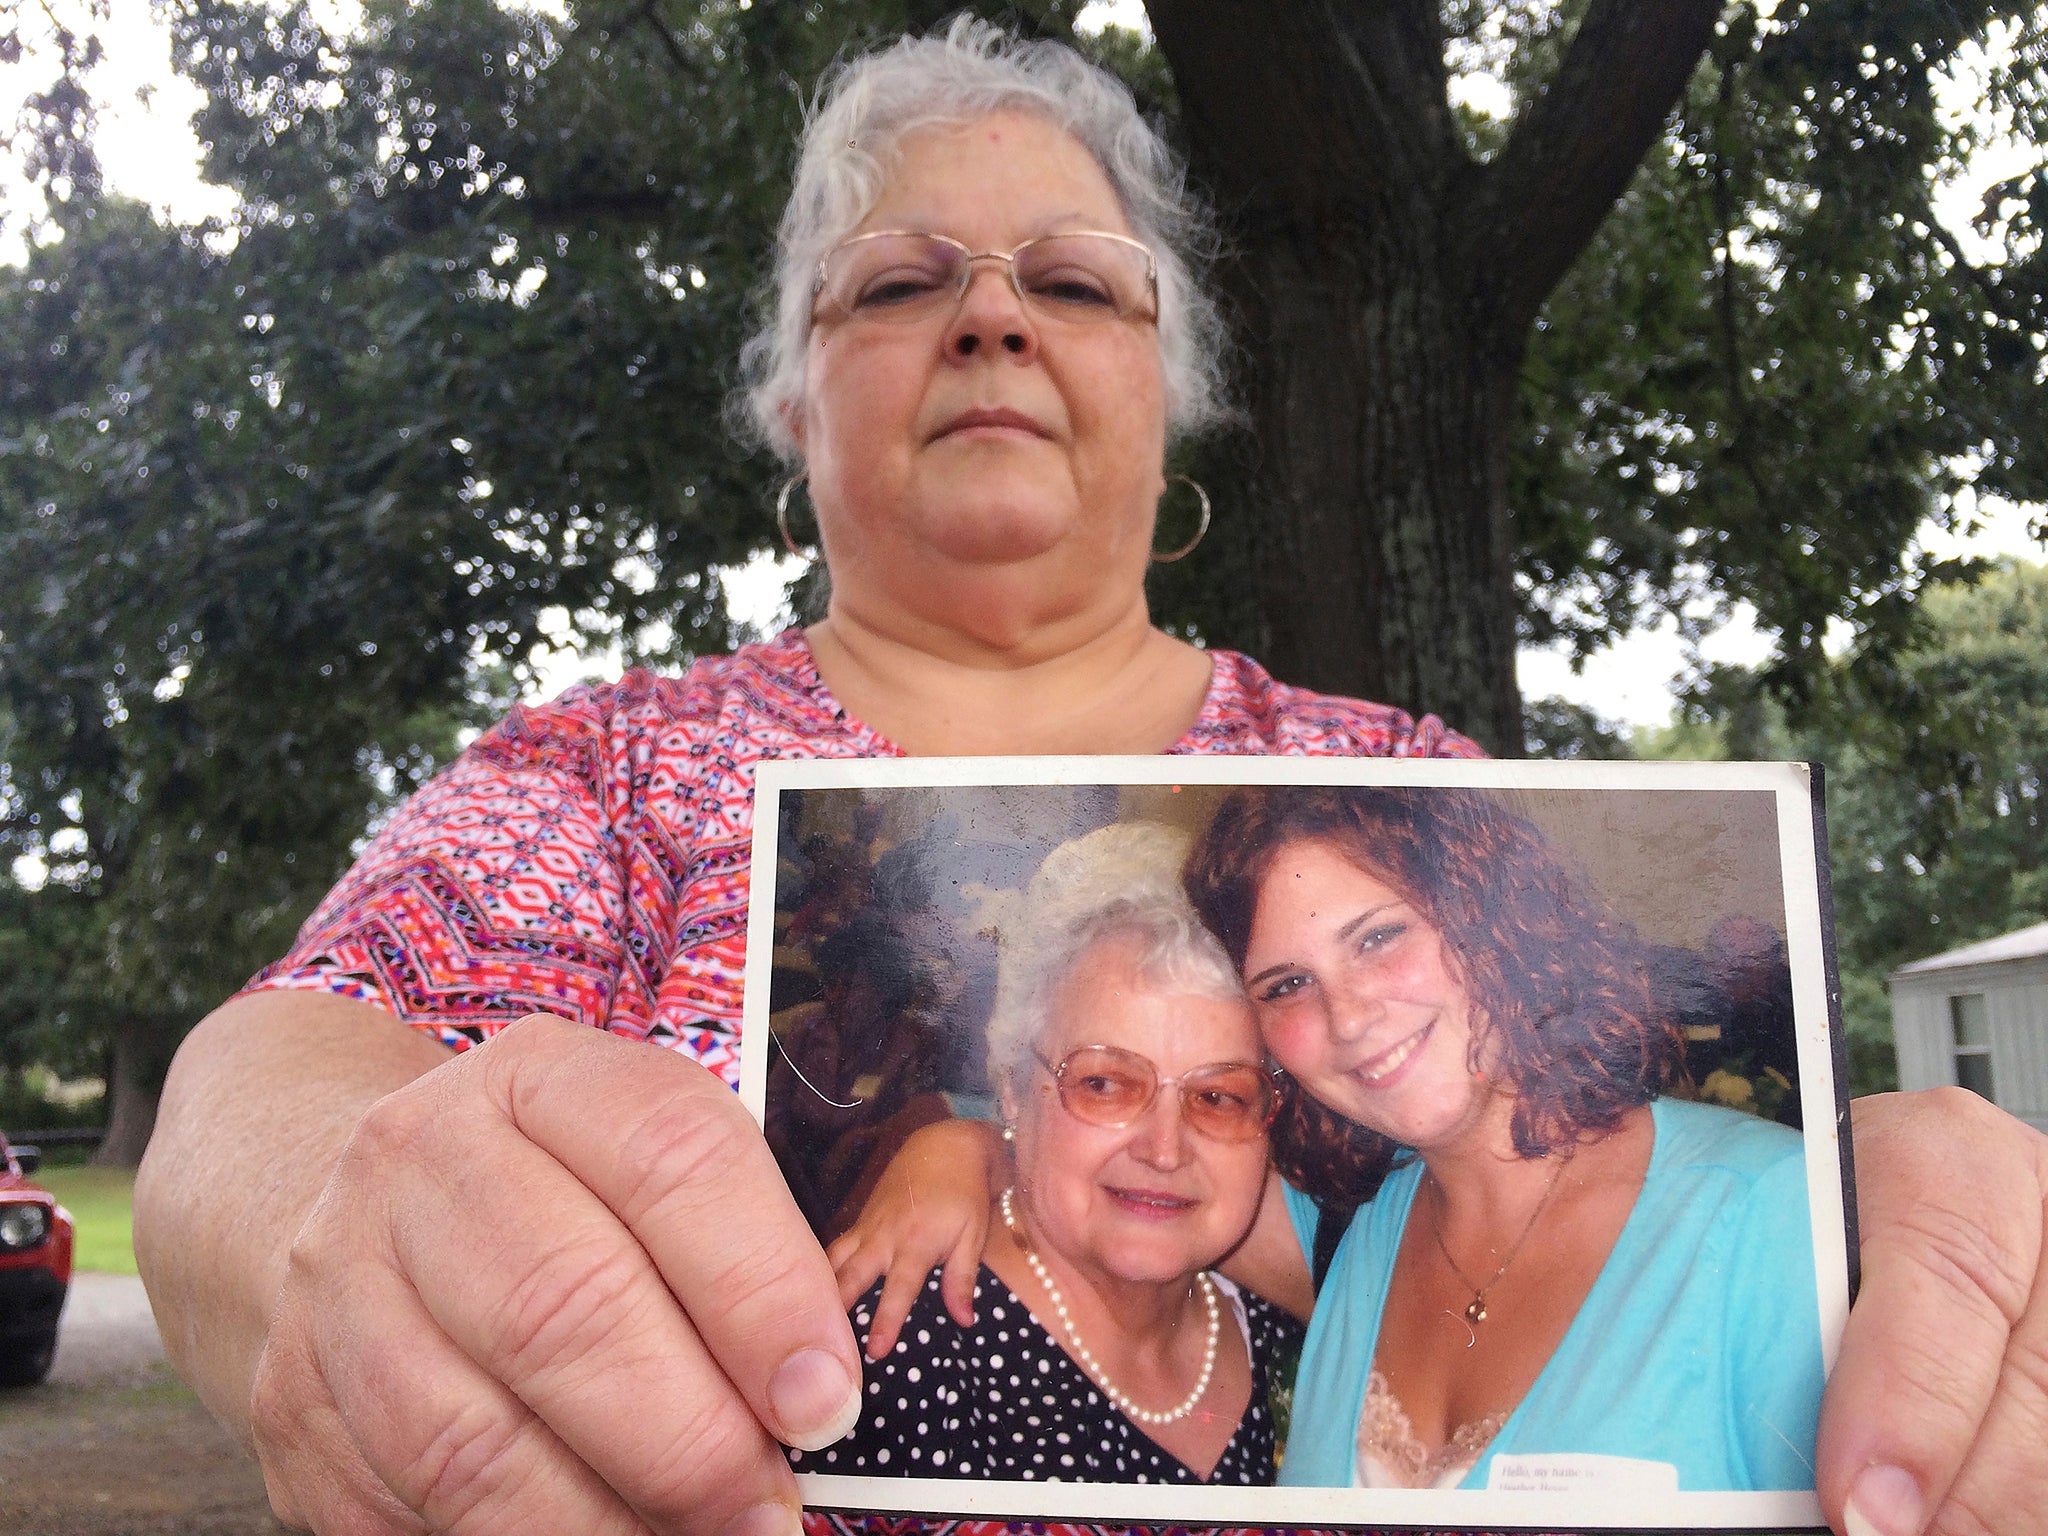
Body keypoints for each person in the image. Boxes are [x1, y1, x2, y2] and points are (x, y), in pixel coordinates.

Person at [125, 19, 2048, 1536]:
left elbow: (1569, 1168)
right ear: (791, 397)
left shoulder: (1401, 782)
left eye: (1070, 278)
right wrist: (325, 1222)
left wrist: (1856, 1231)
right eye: (894, 287)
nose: (987, 316)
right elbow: (278, 1073)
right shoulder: (607, 775)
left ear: (1171, 380)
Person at [1185, 785, 1823, 1489]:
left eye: (1378, 937)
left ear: (1495, 917)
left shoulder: (1765, 1215)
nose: (1349, 1016)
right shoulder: (1338, 1232)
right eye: (1287, 984)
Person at [795, 823, 1299, 1484]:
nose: (1166, 1149)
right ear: (1011, 1089)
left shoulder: (1271, 1315)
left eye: (1220, 1096)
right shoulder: (900, 1362)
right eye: (1104, 1084)